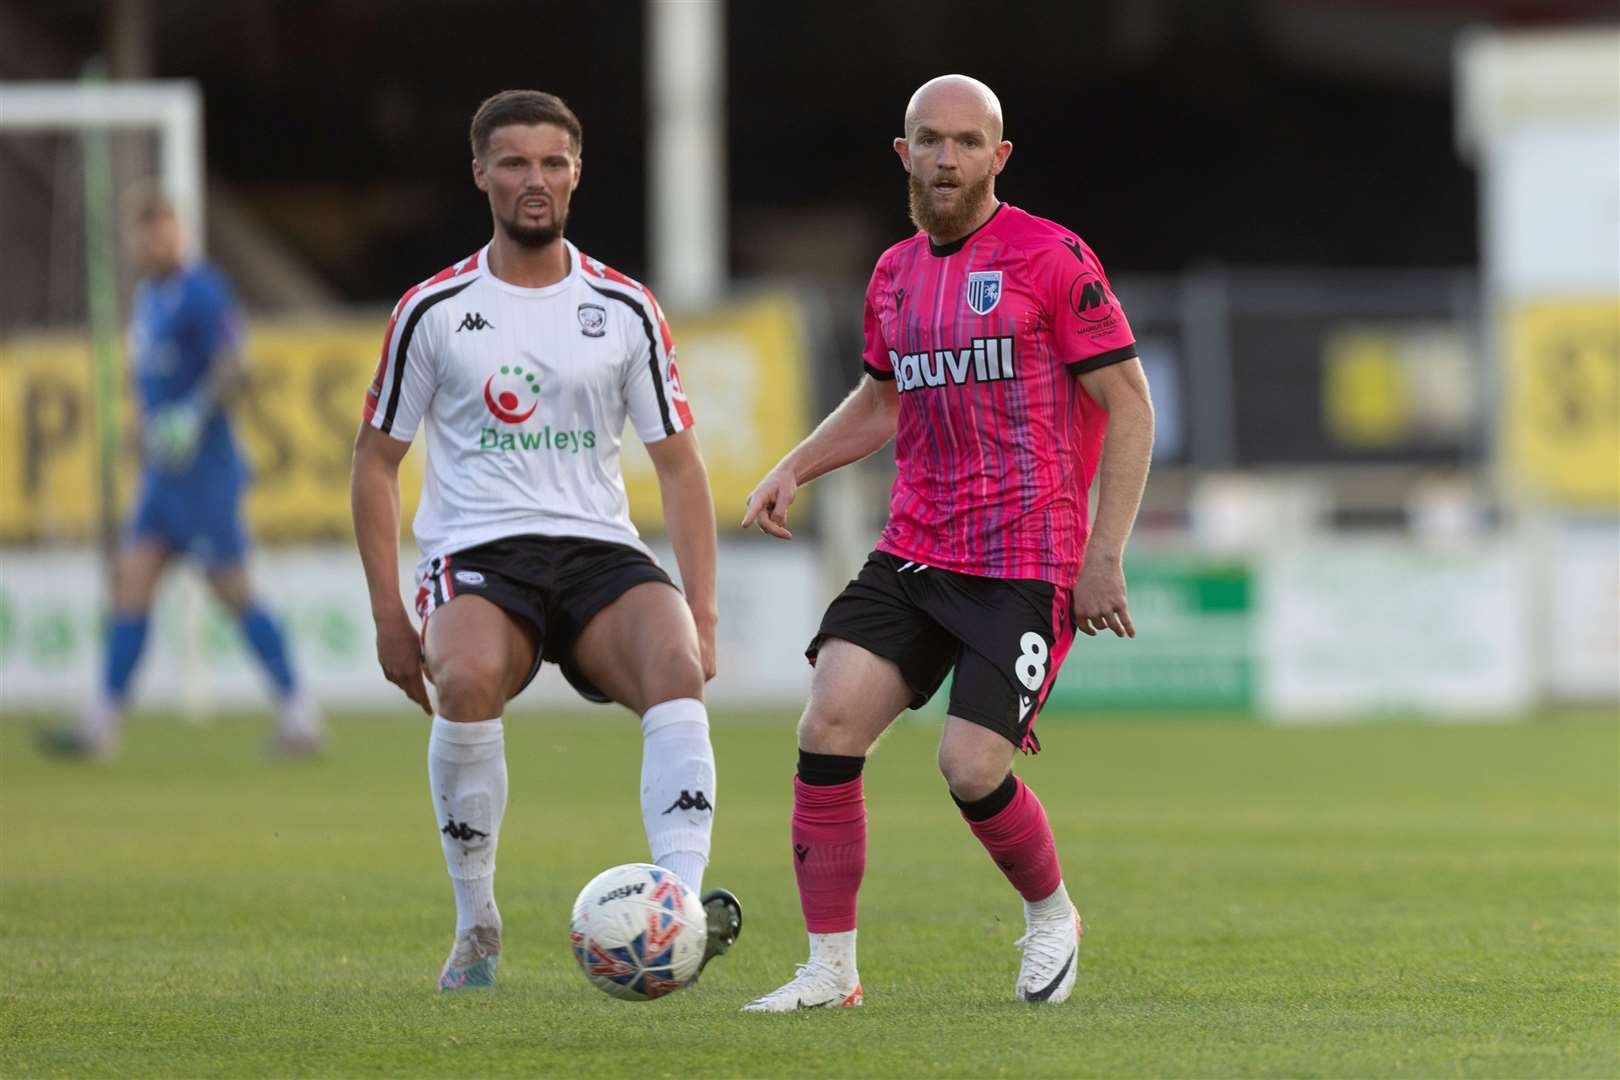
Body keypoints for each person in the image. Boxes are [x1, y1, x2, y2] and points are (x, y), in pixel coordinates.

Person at [739, 75, 1155, 1011]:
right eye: (930, 140)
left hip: (1027, 558)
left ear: (999, 157)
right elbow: (882, 399)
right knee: (828, 724)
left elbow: (1128, 405)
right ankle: (830, 970)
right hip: (917, 548)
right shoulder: (893, 273)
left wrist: (1103, 553)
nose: (948, 158)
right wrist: (795, 467)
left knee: (970, 766)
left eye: (969, 142)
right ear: (904, 152)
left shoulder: (1053, 259)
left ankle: (1051, 915)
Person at [349, 89, 742, 993]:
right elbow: (375, 464)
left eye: (552, 163)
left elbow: (680, 468)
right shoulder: (434, 309)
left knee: (676, 663)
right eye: (515, 162)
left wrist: (705, 610)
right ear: (480, 173)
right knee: (472, 678)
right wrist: (386, 616)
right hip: (482, 552)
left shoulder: (625, 306)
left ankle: (675, 915)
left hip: (599, 548)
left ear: (576, 173)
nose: (536, 179)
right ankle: (477, 923)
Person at [40, 187, 320, 760]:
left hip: (205, 475)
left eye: (163, 228)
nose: (154, 240)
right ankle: (102, 724)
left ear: (179, 233)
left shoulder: (201, 289)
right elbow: (152, 382)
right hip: (162, 478)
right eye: (145, 231)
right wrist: (144, 430)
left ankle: (300, 714)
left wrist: (193, 414)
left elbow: (235, 361)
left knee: (234, 590)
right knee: (132, 581)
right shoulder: (148, 297)